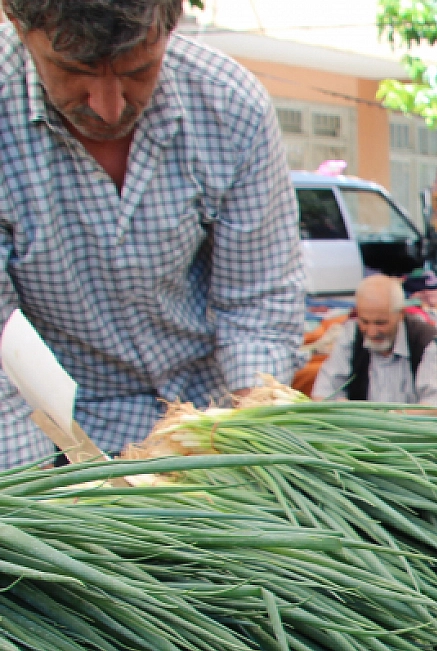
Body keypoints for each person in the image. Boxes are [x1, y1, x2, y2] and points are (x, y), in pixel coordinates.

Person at [0, 0, 303, 467]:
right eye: (73, 70)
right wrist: (40, 501)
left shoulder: (229, 106)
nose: (108, 107)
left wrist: (250, 440)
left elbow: (257, 304)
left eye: (138, 70)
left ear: (171, 23)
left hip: (211, 429)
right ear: (18, 24)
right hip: (61, 439)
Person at [311, 276, 437, 408]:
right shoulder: (351, 334)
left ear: (401, 314)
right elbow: (322, 394)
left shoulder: (428, 342)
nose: (372, 332)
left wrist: (384, 419)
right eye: (364, 322)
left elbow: (436, 407)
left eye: (381, 323)